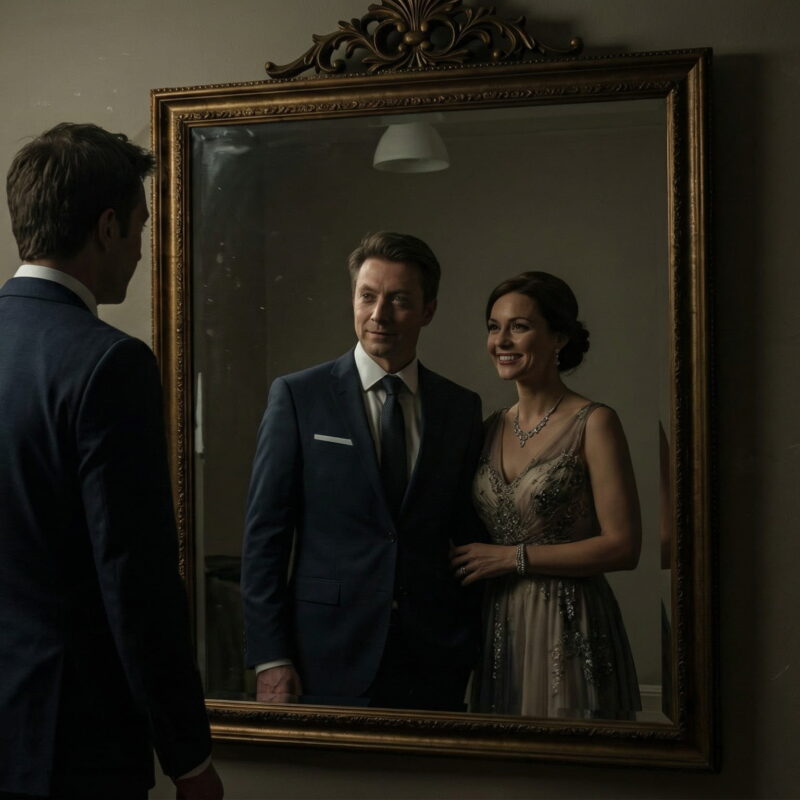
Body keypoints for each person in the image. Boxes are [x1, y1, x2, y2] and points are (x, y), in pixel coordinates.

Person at [0, 123, 223, 799]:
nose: (139, 248)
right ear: (105, 227)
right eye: (140, 227)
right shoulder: (108, 364)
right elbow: (136, 580)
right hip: (70, 745)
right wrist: (188, 756)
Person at [241, 231, 486, 711]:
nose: (379, 315)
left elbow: (464, 529)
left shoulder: (460, 408)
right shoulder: (298, 397)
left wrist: (467, 638)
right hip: (325, 650)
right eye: (367, 296)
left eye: (399, 300)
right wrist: (270, 656)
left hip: (434, 656)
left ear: (428, 310)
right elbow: (265, 536)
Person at [451, 271, 642, 719]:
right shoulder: (486, 428)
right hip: (499, 627)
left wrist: (513, 558)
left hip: (569, 623)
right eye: (494, 327)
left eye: (519, 326)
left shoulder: (594, 423)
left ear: (558, 336)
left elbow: (624, 547)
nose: (502, 340)